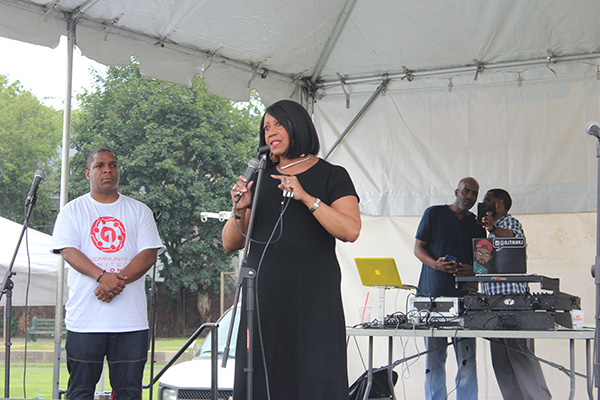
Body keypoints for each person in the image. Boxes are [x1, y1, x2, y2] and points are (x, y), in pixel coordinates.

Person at [222, 99, 361, 400]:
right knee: (265, 374)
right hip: (264, 295)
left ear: (297, 125)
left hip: (313, 297)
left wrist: (306, 197)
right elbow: (230, 242)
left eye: (278, 124)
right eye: (266, 127)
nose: (270, 131)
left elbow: (350, 230)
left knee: (317, 372)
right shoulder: (259, 177)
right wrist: (239, 208)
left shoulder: (332, 175)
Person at [51, 148, 164, 400]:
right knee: (80, 391)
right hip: (85, 321)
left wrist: (114, 281)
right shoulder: (73, 210)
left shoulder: (139, 211)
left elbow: (148, 255)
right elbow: (69, 251)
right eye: (100, 165)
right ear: (87, 173)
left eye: (113, 165)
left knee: (129, 392)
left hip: (130, 323)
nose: (107, 170)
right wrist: (103, 276)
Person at [414, 177, 484, 400]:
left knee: (467, 360)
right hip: (432, 296)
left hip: (466, 301)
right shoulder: (434, 214)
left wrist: (472, 271)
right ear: (456, 191)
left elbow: (485, 263)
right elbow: (418, 248)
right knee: (434, 358)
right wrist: (435, 264)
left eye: (474, 193)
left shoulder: (478, 224)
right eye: (466, 191)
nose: (469, 197)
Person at [480, 188, 551, 400]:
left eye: (488, 200)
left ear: (500, 203)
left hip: (513, 300)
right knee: (500, 358)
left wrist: (492, 228)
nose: (484, 203)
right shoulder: (485, 227)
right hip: (492, 301)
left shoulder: (510, 223)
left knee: (520, 353)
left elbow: (511, 237)